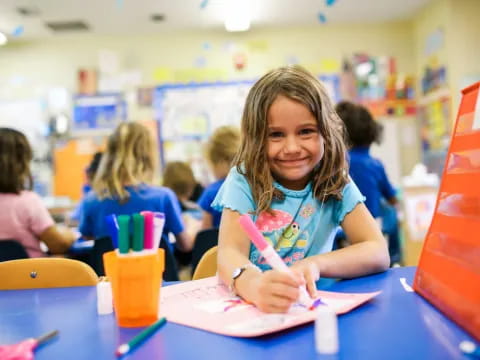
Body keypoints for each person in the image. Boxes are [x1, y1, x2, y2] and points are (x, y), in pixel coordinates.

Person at [212, 66, 390, 313]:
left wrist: (315, 264)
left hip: (315, 310)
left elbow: (378, 251)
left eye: (306, 131)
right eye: (275, 135)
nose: (292, 147)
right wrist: (255, 285)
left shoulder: (335, 180)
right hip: (252, 312)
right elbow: (229, 253)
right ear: (255, 139)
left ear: (326, 132)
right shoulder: (244, 179)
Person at [79, 122, 193, 253]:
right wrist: (190, 226)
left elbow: (88, 239)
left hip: (109, 273)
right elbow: (185, 245)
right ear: (149, 156)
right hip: (158, 273)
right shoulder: (163, 197)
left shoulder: (91, 200)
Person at [335, 101, 400, 264]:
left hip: (339, 234)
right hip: (373, 233)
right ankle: (396, 259)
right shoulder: (375, 164)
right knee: (391, 215)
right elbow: (392, 198)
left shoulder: (334, 164)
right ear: (371, 136)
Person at [0, 128, 76, 257]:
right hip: (29, 275)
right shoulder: (26, 202)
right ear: (21, 163)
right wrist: (70, 234)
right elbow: (58, 245)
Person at [198, 126, 240, 229]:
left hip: (218, 245)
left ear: (220, 162)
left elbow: (205, 234)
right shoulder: (252, 187)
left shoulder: (212, 192)